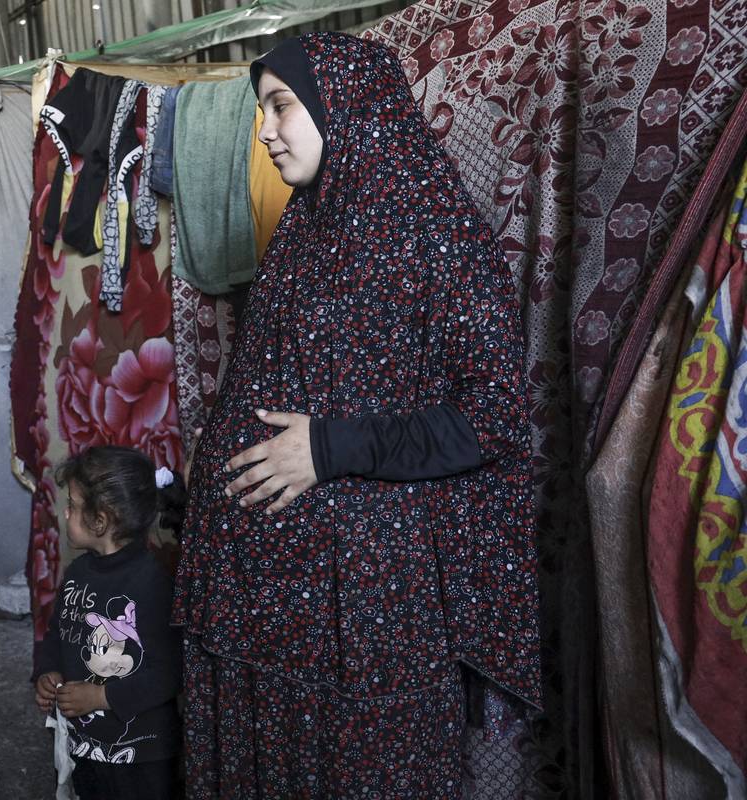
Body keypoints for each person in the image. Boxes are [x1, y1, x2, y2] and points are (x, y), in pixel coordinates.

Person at [172, 33, 542, 798]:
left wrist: (332, 449)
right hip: (262, 604)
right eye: (261, 109)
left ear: (352, 108)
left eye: (281, 106)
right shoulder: (302, 232)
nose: (265, 131)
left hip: (371, 608)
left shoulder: (438, 236)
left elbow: (495, 418)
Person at [34, 446, 184, 799]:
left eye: (71, 504)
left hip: (141, 754)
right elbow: (58, 634)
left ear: (100, 520)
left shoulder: (152, 584)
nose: (65, 512)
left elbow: (170, 670)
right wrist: (47, 671)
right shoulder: (76, 574)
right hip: (86, 746)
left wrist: (103, 696)